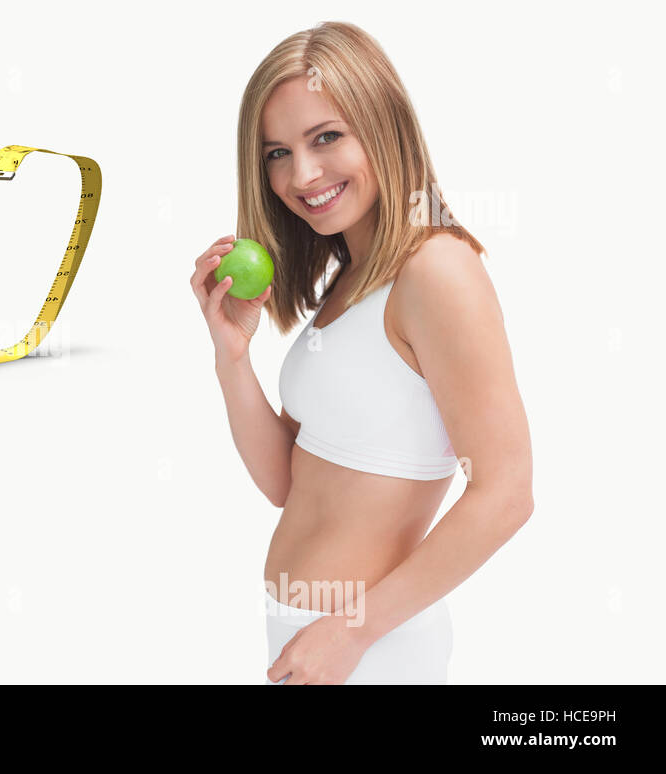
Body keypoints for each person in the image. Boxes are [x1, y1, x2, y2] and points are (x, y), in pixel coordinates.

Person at [189, 21, 533, 684]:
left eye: (326, 137)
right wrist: (232, 356)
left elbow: (507, 493)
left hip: (374, 650)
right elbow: (286, 484)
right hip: (311, 639)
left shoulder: (437, 269)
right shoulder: (351, 279)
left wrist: (350, 632)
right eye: (276, 153)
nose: (302, 174)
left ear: (383, 125)